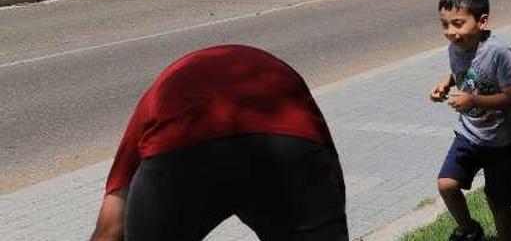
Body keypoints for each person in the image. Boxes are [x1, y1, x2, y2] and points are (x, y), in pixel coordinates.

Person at [90, 45, 347, 241]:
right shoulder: (282, 79)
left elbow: (111, 227)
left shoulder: (155, 100)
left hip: (179, 154)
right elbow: (330, 170)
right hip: (285, 145)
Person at [429, 0, 511, 241]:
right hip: (470, 134)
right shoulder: (456, 47)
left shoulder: (499, 53)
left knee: (497, 200)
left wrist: (474, 100)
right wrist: (447, 81)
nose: (450, 32)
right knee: (446, 184)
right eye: (445, 24)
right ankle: (469, 230)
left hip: (503, 140)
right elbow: (462, 71)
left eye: (458, 23)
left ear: (482, 21)